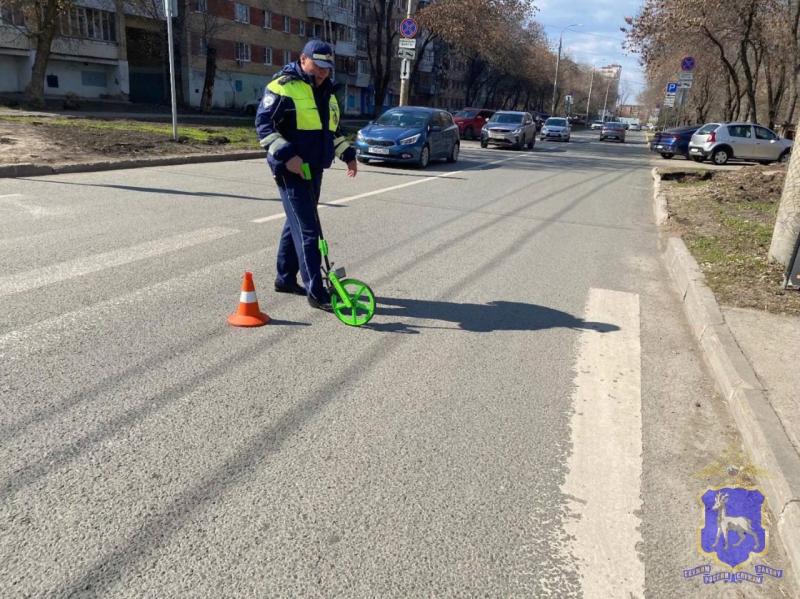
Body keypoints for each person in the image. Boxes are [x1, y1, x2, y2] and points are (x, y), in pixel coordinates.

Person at [255, 40, 357, 312]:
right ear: (303, 59)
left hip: (315, 168)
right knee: (309, 230)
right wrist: (288, 156)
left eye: (327, 68)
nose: (323, 73)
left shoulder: (329, 94)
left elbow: (332, 132)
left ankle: (285, 278)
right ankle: (317, 291)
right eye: (318, 66)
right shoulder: (283, 87)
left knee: (296, 223)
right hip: (291, 170)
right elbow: (264, 126)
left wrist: (348, 154)